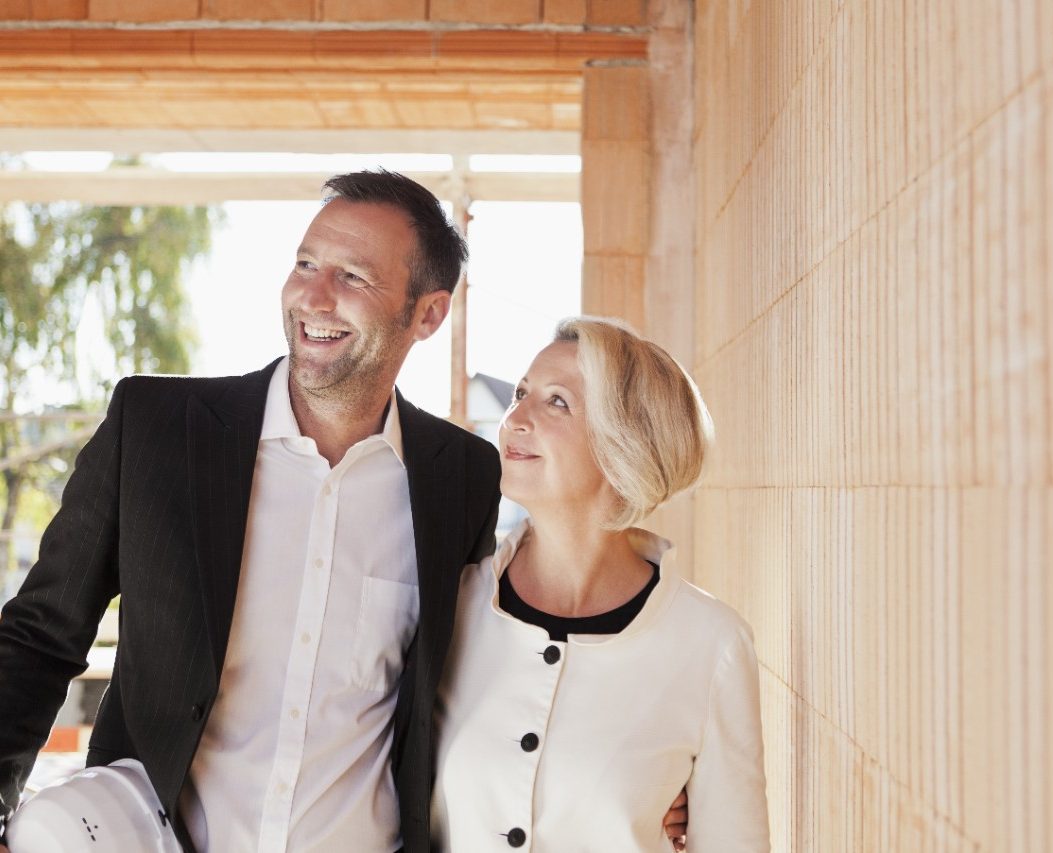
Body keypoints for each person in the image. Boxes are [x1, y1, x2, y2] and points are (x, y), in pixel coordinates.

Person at [0, 170, 502, 853]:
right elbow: (39, 635)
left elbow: (475, 679)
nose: (312, 296)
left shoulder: (463, 477)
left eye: (352, 276)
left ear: (427, 313)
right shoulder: (156, 429)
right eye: (304, 263)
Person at [431, 317, 770, 851]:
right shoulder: (449, 603)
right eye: (521, 393)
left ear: (623, 445)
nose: (515, 417)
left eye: (557, 402)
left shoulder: (713, 646)